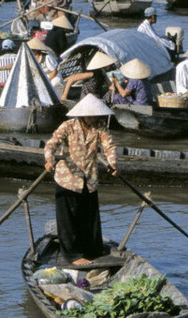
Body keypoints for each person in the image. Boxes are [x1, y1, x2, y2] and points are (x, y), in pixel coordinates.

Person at [43, 94, 119, 266]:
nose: (92, 118)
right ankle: (72, 255)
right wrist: (49, 159)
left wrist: (113, 164)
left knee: (88, 216)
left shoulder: (99, 128)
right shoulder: (68, 126)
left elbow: (109, 146)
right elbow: (51, 144)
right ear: (81, 114)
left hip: (89, 178)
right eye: (89, 115)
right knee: (68, 218)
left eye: (94, 115)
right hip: (67, 177)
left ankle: (92, 250)